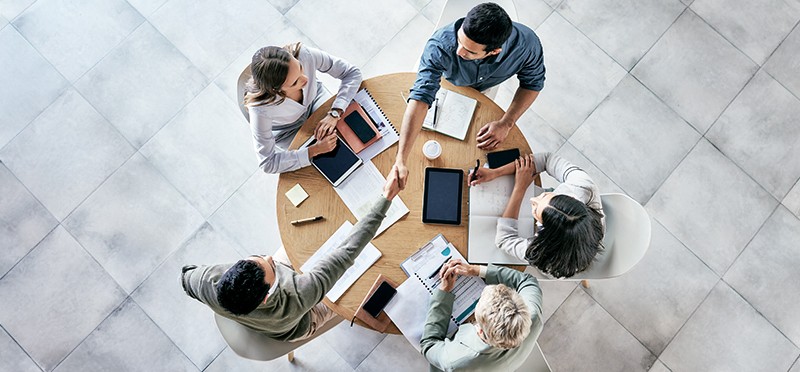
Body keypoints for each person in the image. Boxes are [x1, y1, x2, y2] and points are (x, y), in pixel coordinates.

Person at [180, 173, 400, 341]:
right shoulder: (301, 295)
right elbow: (347, 252)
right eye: (272, 267)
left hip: (260, 311)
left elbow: (185, 276)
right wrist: (386, 198)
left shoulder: (205, 282)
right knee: (352, 294)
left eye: (258, 258)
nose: (270, 257)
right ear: (267, 297)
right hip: (303, 321)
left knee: (309, 238)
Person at [391, 2, 545, 188]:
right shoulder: (440, 45)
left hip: (483, 89)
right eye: (459, 41)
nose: (459, 52)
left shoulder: (527, 46)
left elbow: (532, 84)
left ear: (494, 51)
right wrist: (400, 159)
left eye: (470, 51)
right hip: (444, 80)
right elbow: (421, 98)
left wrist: (506, 122)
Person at [471, 152, 605, 278]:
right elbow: (547, 159)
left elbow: (504, 239)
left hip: (564, 262)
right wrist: (496, 172)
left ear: (546, 234)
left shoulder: (546, 255)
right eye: (545, 195)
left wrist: (520, 188)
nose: (532, 200)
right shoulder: (582, 185)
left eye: (535, 210)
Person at [244, 42, 362, 174]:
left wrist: (335, 112)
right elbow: (267, 163)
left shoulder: (304, 55)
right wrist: (313, 150)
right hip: (288, 131)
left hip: (315, 100)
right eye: (295, 82)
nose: (305, 79)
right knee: (330, 167)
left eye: (300, 68)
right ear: (275, 90)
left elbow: (352, 73)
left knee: (353, 134)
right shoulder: (260, 109)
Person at [420, 259, 543, 371]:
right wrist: (476, 270)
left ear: (479, 330)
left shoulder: (456, 361)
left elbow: (429, 345)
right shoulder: (533, 316)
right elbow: (527, 281)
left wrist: (443, 293)